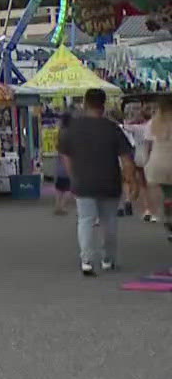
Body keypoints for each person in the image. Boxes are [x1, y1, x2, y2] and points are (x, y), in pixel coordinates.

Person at [59, 88, 132, 276]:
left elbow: (65, 155)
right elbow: (126, 158)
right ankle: (108, 259)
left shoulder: (73, 128)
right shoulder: (112, 128)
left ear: (85, 103)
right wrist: (131, 181)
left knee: (85, 221)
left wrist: (73, 175)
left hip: (83, 182)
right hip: (110, 182)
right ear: (104, 104)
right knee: (109, 222)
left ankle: (87, 261)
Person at [142, 97, 172, 245]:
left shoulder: (153, 123)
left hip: (158, 163)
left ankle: (168, 212)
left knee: (167, 191)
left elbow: (147, 146)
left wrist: (147, 162)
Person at [51, 110, 76, 215]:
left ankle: (57, 205)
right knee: (70, 186)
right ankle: (63, 206)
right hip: (69, 158)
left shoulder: (61, 131)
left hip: (60, 158)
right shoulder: (71, 132)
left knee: (59, 186)